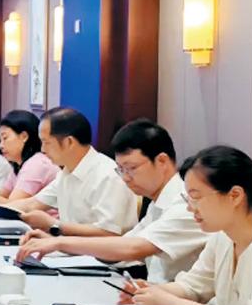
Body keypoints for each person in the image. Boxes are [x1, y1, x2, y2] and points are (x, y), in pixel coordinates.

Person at [16, 120, 206, 281]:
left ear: (162, 161)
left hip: (180, 304)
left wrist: (59, 242)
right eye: (121, 170)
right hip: (155, 296)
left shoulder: (186, 203)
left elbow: (133, 248)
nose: (125, 178)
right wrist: (55, 241)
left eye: (131, 168)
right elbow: (120, 247)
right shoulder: (158, 202)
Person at [118, 145, 252, 305]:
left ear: (235, 195)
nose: (190, 208)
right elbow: (194, 286)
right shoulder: (222, 237)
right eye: (187, 198)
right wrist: (152, 291)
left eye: (195, 197)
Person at [4, 107, 138, 236]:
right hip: (72, 249)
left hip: (101, 252)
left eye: (46, 142)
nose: (43, 149)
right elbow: (33, 204)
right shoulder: (66, 173)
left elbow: (110, 233)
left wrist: (54, 225)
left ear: (69, 142)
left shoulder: (107, 175)